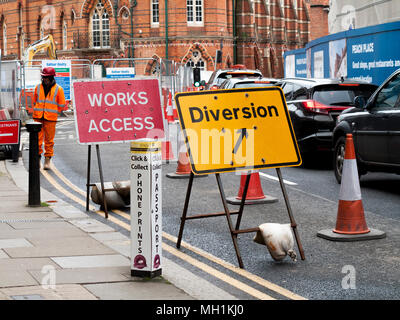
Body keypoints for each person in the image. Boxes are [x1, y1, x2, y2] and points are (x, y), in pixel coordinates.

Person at [32, 67, 66, 170]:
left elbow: (62, 104)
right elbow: (35, 101)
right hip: (38, 118)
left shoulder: (58, 89)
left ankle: (47, 160)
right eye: (43, 77)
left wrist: (52, 111)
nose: (44, 79)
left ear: (51, 77)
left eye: (46, 77)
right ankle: (37, 160)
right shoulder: (38, 87)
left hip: (50, 119)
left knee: (49, 141)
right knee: (37, 140)